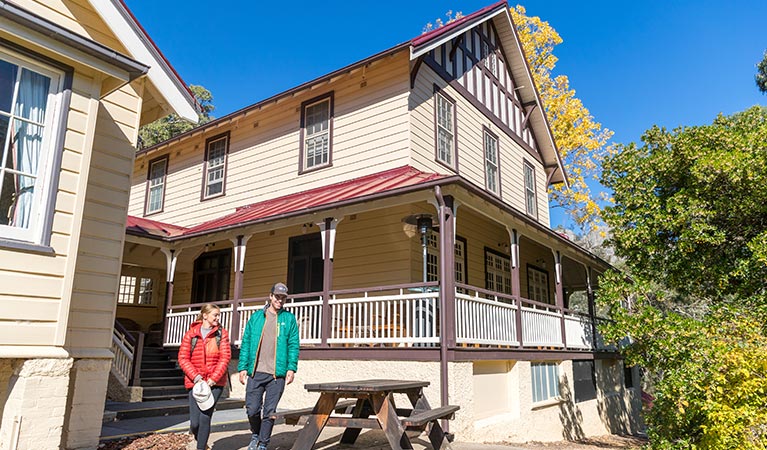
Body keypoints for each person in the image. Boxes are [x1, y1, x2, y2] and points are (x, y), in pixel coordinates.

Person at [238, 282, 300, 450]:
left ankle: (263, 443)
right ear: (271, 296)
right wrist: (243, 367)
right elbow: (246, 343)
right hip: (255, 372)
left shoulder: (289, 319)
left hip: (276, 375)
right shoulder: (256, 317)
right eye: (277, 296)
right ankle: (255, 434)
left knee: (270, 411)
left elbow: (293, 345)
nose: (280, 300)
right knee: (252, 409)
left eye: (283, 298)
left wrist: (291, 368)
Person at [177, 303, 232, 450]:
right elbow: (183, 358)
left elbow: (225, 358)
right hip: (195, 382)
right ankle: (199, 438)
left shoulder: (221, 334)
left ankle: (200, 447)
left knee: (205, 416)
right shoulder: (191, 334)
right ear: (205, 315)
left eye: (219, 315)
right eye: (215, 315)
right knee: (195, 423)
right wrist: (196, 377)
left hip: (215, 383)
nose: (218, 318)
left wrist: (213, 379)